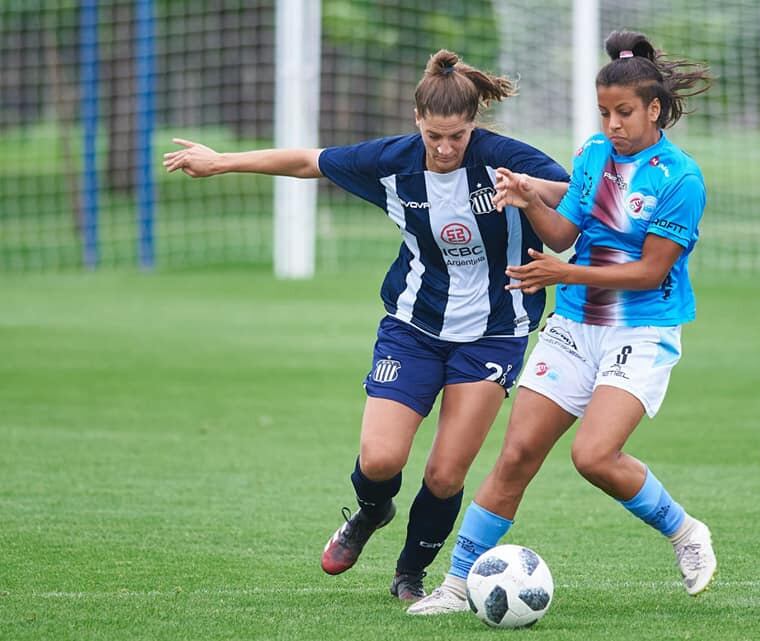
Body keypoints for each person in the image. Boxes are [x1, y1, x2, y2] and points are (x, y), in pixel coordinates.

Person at [163, 50, 570, 602]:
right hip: (413, 325)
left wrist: (531, 190)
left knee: (446, 474)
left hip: (496, 333)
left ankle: (410, 575)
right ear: (416, 122)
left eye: (458, 136)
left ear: (474, 125)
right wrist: (223, 161)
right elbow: (310, 161)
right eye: (434, 137)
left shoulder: (507, 159)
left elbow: (573, 200)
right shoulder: (392, 161)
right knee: (380, 459)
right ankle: (371, 512)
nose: (446, 149)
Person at [407, 30, 715, 615]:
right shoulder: (593, 155)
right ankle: (455, 585)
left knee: (594, 456)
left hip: (641, 331)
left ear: (653, 109)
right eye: (603, 112)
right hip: (574, 325)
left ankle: (686, 534)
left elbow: (651, 272)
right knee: (517, 453)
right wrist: (528, 199)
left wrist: (562, 275)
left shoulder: (680, 178)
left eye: (623, 112)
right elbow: (565, 234)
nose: (612, 125)